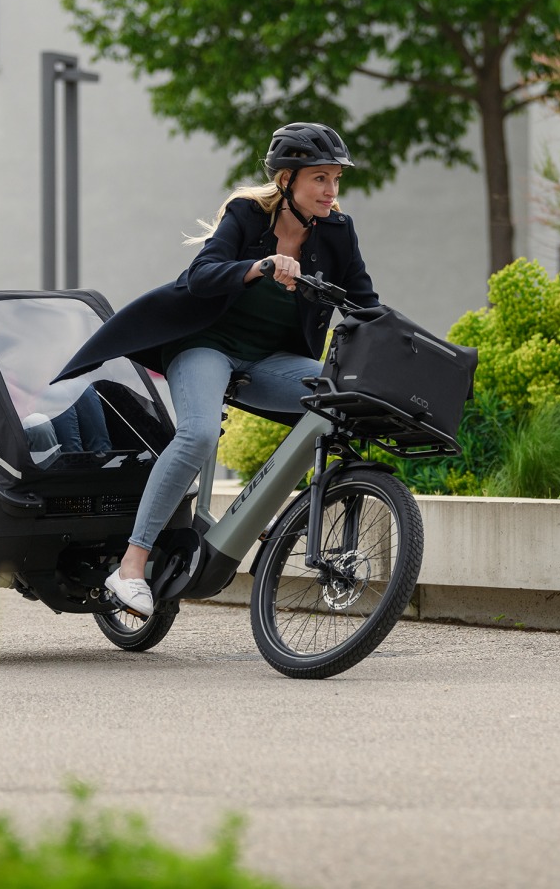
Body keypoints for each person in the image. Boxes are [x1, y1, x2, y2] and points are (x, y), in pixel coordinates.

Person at [53, 122, 381, 616]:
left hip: (273, 359)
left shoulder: (338, 231)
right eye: (319, 178)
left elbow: (365, 305)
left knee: (338, 404)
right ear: (287, 180)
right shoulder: (247, 214)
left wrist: (403, 343)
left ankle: (274, 516)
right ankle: (131, 565)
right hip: (207, 346)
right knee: (199, 435)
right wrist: (262, 266)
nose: (331, 190)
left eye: (335, 178)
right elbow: (204, 275)